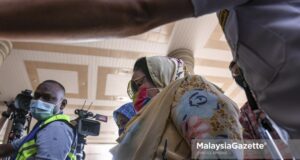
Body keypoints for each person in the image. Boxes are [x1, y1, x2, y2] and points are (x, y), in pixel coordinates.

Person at [1, 0, 299, 156]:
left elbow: (220, 148)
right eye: (132, 86)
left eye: (141, 82)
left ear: (164, 76)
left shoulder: (190, 91)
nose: (135, 91)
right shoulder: (135, 121)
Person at [110, 55, 243, 159]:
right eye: (136, 89)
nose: (139, 93)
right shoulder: (155, 117)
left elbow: (219, 143)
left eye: (140, 83)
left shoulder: (185, 88)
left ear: (160, 74)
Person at [0, 80, 77, 160]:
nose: (39, 101)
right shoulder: (42, 128)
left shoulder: (56, 128)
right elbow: (10, 148)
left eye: (47, 98)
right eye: (36, 96)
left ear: (62, 104)